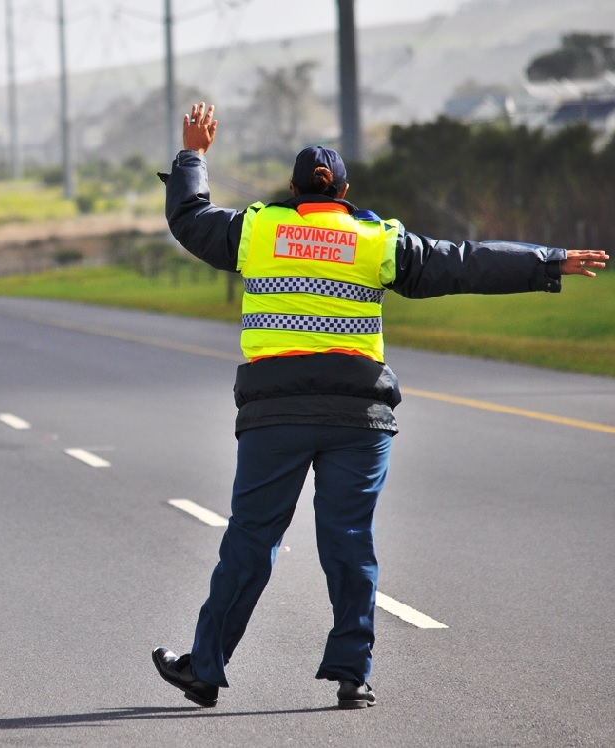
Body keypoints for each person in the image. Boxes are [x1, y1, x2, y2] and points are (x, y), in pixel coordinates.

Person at [151, 101, 608, 710]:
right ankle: (352, 675)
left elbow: (190, 217)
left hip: (275, 414)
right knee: (348, 541)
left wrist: (194, 155)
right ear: (345, 191)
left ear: (291, 190)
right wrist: (548, 261)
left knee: (250, 543)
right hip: (358, 419)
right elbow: (462, 263)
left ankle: (205, 669)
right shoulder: (374, 239)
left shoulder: (257, 231)